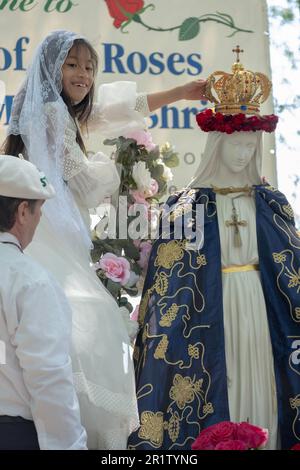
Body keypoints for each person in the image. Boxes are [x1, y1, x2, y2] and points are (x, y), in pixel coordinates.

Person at [1, 30, 207, 449]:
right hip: (52, 242)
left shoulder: (54, 111)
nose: (83, 75)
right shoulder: (54, 116)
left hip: (54, 237)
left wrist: (183, 91)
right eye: (72, 65)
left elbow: (117, 109)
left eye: (90, 67)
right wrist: (116, 168)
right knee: (87, 327)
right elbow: (87, 182)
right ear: (51, 69)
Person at [128, 54, 300, 450]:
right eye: (236, 144)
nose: (243, 153)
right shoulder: (188, 206)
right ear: (217, 144)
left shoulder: (271, 202)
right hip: (211, 310)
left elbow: (289, 264)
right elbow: (170, 280)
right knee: (227, 377)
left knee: (261, 378)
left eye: (250, 145)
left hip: (260, 303)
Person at [0, 155, 87, 450]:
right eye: (39, 211)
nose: (40, 221)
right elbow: (48, 378)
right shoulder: (29, 280)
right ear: (23, 211)